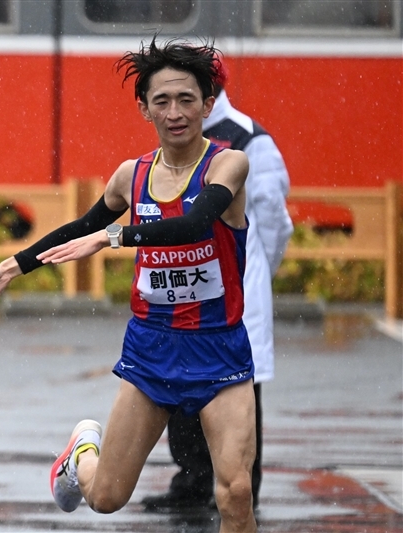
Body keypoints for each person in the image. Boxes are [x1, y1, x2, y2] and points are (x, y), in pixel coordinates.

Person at [0, 36, 257, 533]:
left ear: (208, 104)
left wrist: (114, 236)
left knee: (236, 491)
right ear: (144, 110)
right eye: (162, 101)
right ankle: (81, 455)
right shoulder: (130, 176)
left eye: (187, 100)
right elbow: (79, 229)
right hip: (152, 350)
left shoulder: (228, 165)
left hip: (218, 348)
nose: (175, 112)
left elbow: (195, 225)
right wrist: (11, 266)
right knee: (108, 498)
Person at [141, 56, 294, 512]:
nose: (175, 108)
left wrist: (256, 267)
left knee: (233, 386)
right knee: (188, 376)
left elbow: (270, 217)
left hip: (234, 276)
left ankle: (233, 488)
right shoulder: (199, 126)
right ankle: (194, 484)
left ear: (206, 93)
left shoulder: (249, 139)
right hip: (195, 275)